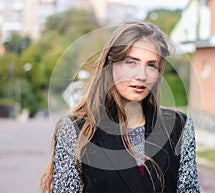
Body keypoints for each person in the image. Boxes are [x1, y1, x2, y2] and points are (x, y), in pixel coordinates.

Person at [40, 21, 200, 193]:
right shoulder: (75, 129)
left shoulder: (180, 126)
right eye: (131, 62)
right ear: (111, 64)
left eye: (151, 65)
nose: (141, 75)